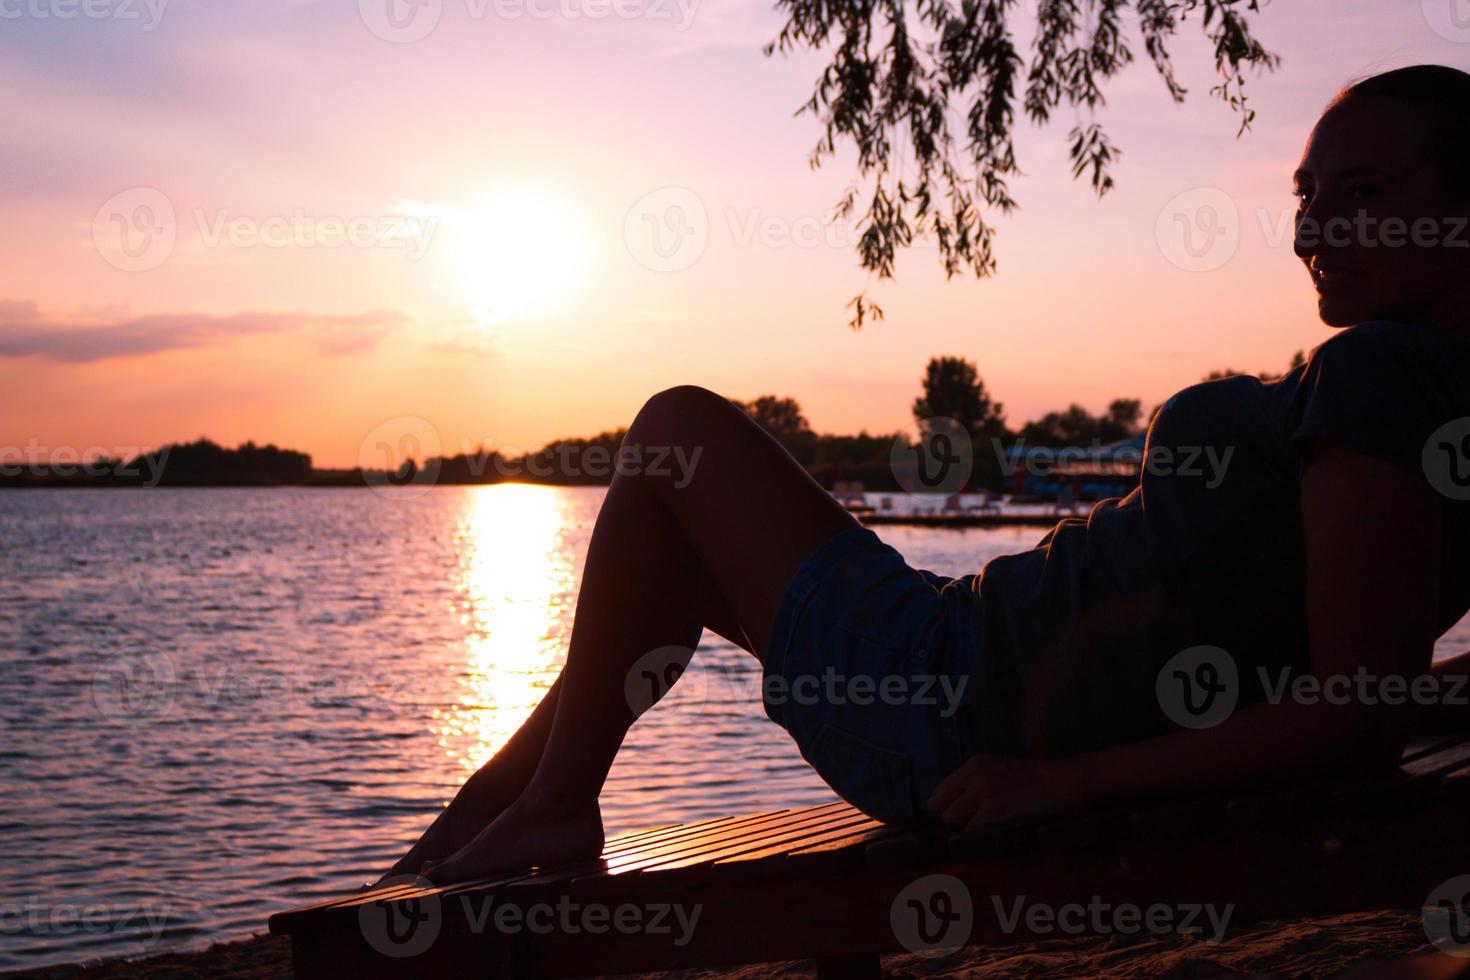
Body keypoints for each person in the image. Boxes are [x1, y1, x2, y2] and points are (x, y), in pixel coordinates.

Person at [380, 65, 1470, 885]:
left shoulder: (1380, 372)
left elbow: (1353, 713)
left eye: (1361, 192)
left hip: (961, 702)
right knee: (660, 555)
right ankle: (477, 834)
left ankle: (523, 818)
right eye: (1306, 194)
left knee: (677, 430)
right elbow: (1373, 677)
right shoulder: (1424, 390)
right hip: (968, 666)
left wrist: (1061, 784)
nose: (1312, 230)